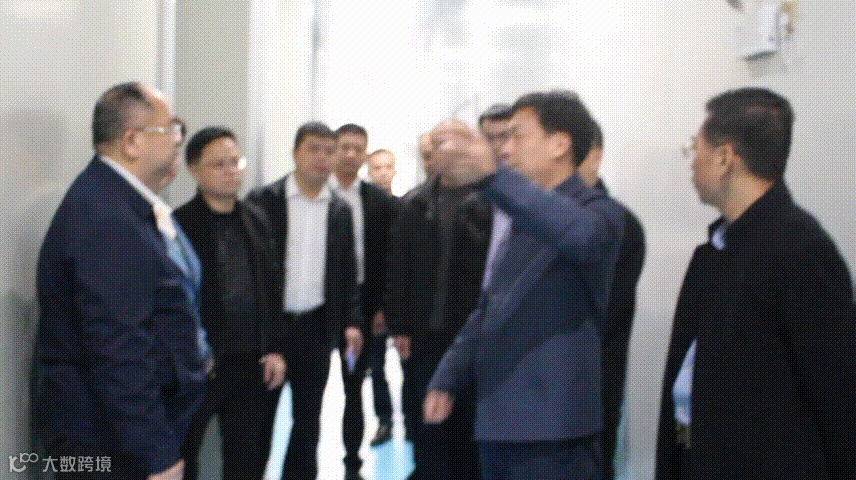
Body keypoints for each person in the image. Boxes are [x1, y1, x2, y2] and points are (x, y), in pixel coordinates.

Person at [655, 87, 856, 480]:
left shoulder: (799, 249)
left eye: (695, 147)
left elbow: (838, 395)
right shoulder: (716, 250)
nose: (692, 161)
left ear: (724, 157)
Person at [425, 90, 625, 480]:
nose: (505, 149)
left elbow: (576, 234)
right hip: (500, 421)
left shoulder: (599, 213)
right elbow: (490, 307)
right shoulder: (523, 218)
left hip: (554, 430)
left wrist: (493, 176)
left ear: (559, 144)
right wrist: (447, 378)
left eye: (516, 136)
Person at [34, 82, 206, 480]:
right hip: (108, 441)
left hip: (119, 433)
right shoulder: (107, 217)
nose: (178, 139)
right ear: (132, 142)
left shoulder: (119, 201)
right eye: (170, 129)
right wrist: (156, 454)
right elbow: (119, 348)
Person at [245, 121, 361, 480]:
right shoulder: (263, 202)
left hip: (316, 328)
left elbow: (347, 272)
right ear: (296, 153)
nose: (322, 158)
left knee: (308, 421)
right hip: (270, 328)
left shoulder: (339, 210)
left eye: (329, 151)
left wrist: (351, 322)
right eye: (314, 149)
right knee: (258, 422)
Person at [174, 127, 285, 480]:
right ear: (194, 170)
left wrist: (275, 348)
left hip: (251, 361)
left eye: (235, 162)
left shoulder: (257, 219)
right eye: (218, 164)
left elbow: (272, 289)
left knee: (247, 457)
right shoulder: (179, 225)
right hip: (200, 364)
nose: (230, 171)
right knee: (184, 451)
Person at [386, 130, 491, 480]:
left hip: (472, 332)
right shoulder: (414, 204)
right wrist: (399, 326)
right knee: (428, 419)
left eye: (449, 148)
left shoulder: (489, 203)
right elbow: (397, 268)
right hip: (425, 332)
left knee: (469, 421)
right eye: (432, 151)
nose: (439, 156)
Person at [577, 120, 646, 480]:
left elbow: (603, 313)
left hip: (591, 384)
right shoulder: (531, 221)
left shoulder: (618, 224)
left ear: (595, 156)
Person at [329, 124, 398, 480]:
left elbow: (390, 258)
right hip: (323, 303)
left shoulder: (378, 202)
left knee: (355, 385)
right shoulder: (319, 194)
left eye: (358, 148)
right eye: (344, 147)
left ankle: (352, 464)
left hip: (367, 303)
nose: (350, 154)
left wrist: (384, 306)